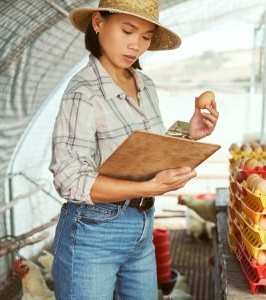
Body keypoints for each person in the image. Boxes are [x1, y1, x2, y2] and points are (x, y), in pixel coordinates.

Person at [48, 1, 219, 299]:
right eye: (127, 30)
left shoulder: (145, 84)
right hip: (94, 231)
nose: (136, 45)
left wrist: (188, 133)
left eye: (145, 36)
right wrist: (148, 186)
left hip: (141, 227)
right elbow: (70, 180)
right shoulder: (83, 93)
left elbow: (145, 151)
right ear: (99, 23)